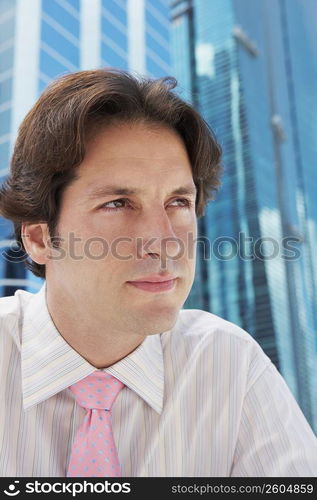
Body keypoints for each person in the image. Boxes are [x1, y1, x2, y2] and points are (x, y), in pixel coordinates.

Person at [0, 69, 316, 478]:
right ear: (40, 238)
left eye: (178, 201)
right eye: (118, 203)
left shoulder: (227, 364)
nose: (164, 241)